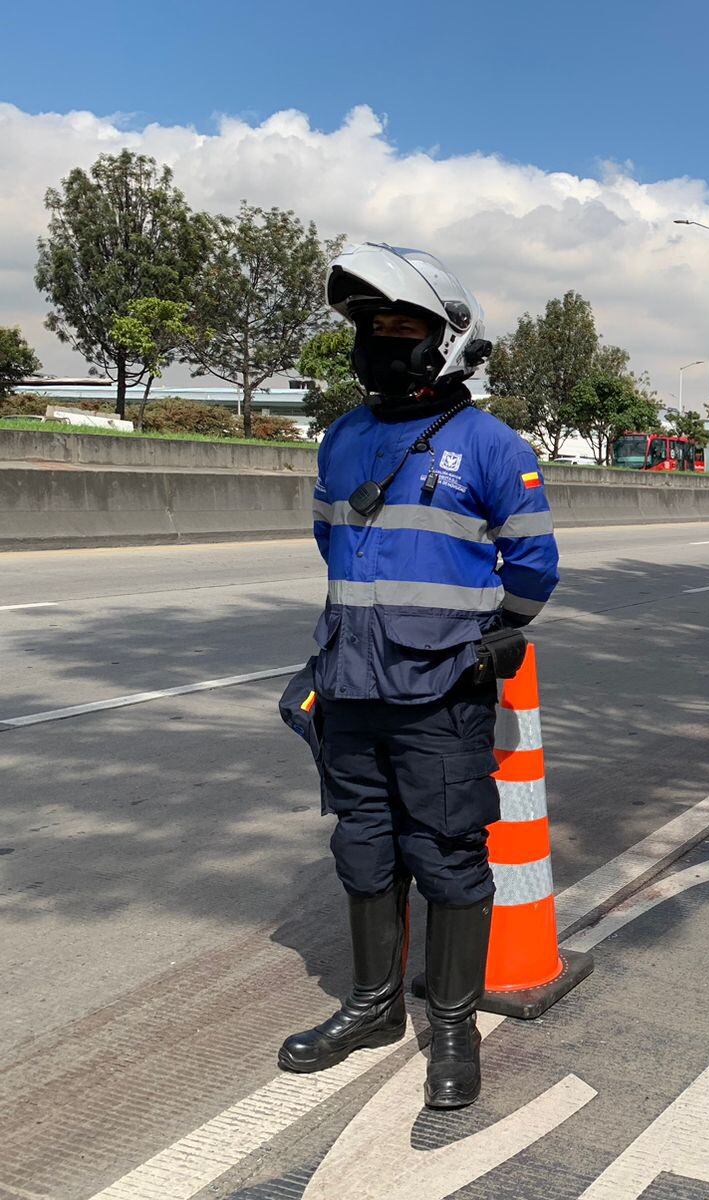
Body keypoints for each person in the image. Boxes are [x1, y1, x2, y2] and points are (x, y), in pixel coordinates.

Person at [277, 244, 559, 1112]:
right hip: (352, 684)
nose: (382, 342)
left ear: (446, 340)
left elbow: (535, 563)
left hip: (441, 693)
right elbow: (335, 546)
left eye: (403, 326)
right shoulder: (343, 437)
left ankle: (451, 1028)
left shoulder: (488, 443)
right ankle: (369, 1009)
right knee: (362, 850)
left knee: (446, 858)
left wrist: (494, 637)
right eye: (371, 327)